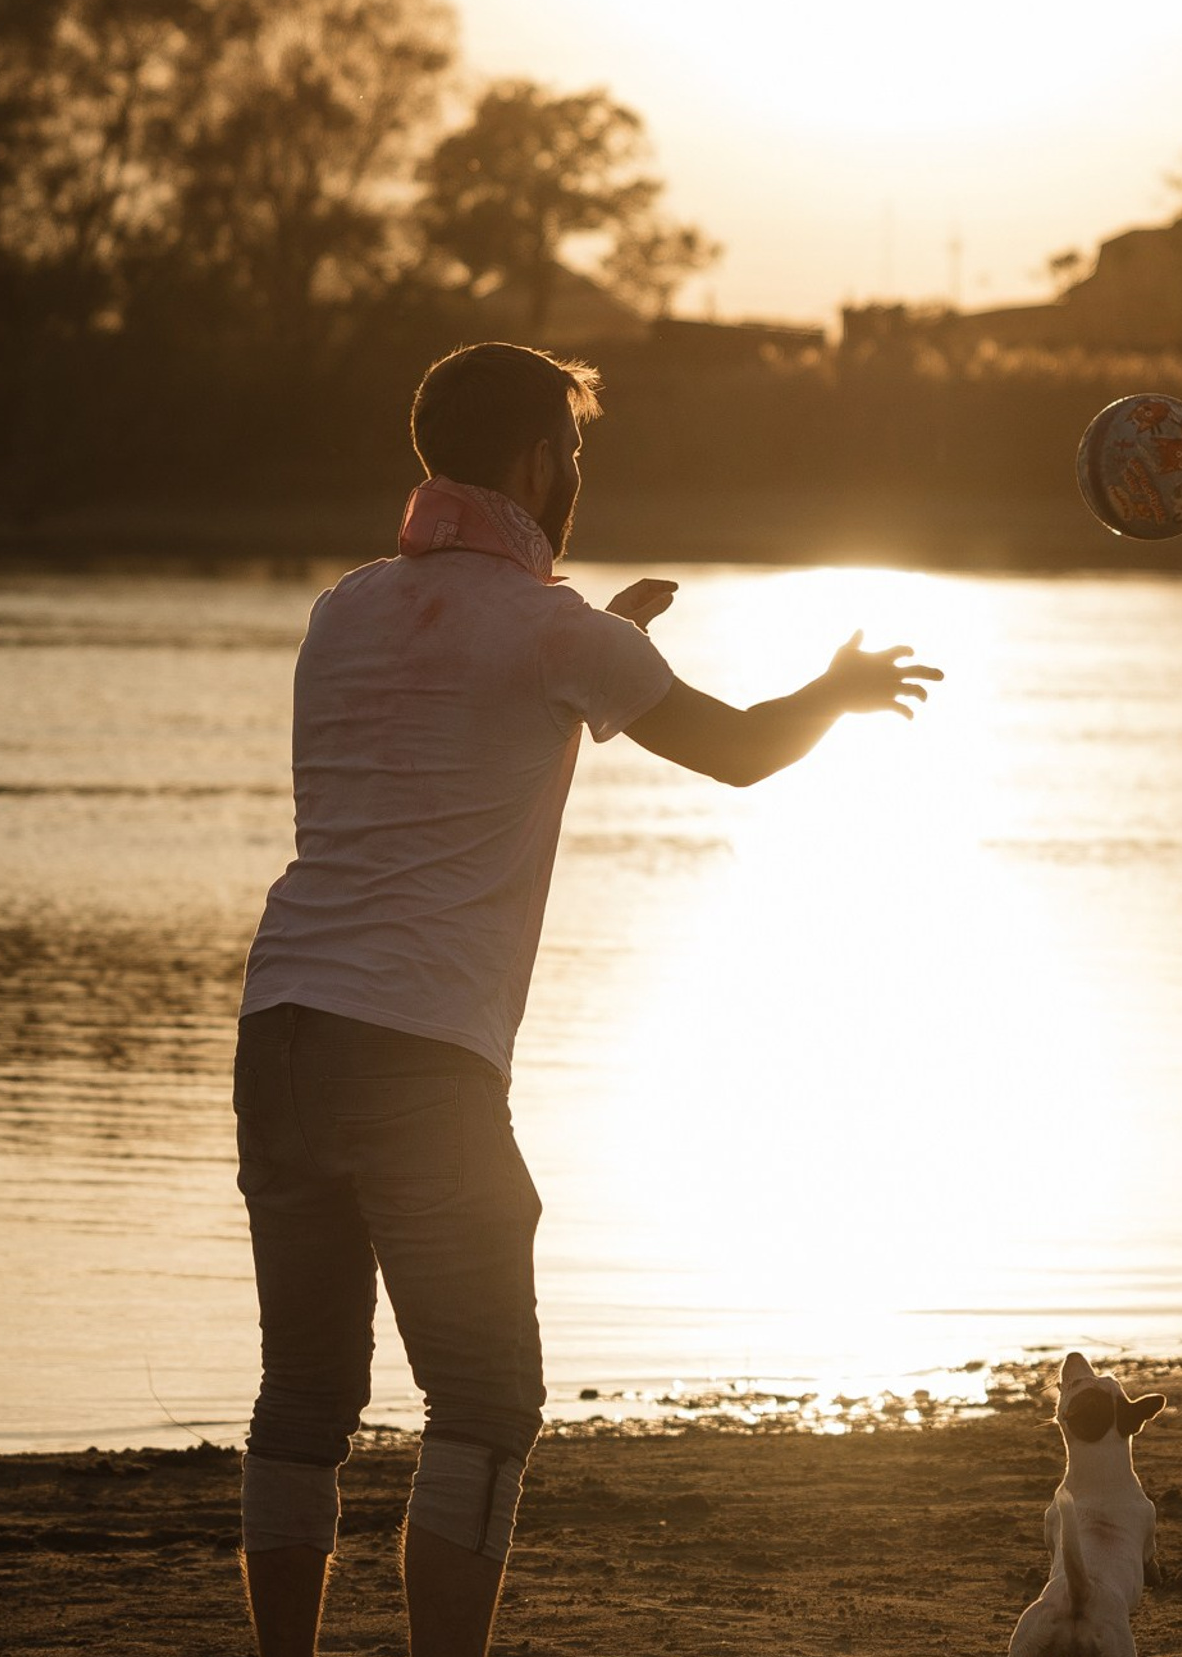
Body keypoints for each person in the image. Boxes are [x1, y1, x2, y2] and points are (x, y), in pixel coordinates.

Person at [230, 341, 941, 1657]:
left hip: (279, 1032)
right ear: (531, 461)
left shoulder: (347, 609)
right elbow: (733, 751)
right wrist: (835, 695)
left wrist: (608, 636)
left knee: (306, 1397)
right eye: (573, 446)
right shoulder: (559, 634)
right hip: (418, 1057)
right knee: (489, 1399)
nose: (579, 469)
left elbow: (462, 697)